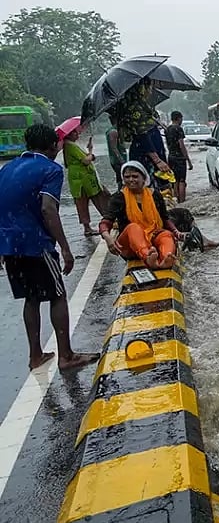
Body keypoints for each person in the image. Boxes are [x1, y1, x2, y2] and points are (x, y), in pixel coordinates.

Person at [0, 125, 99, 370]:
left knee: (31, 298)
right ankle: (66, 355)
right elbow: (47, 208)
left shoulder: (7, 168)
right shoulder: (50, 169)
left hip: (10, 244)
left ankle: (35, 355)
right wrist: (65, 247)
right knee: (57, 295)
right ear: (52, 146)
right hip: (36, 243)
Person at [99, 161, 181, 270]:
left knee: (166, 234)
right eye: (127, 177)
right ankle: (148, 257)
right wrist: (108, 237)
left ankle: (166, 258)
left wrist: (175, 232)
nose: (131, 180)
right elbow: (106, 222)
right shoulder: (119, 197)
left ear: (144, 178)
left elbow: (165, 218)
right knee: (133, 227)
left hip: (153, 240)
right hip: (130, 246)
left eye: (135, 176)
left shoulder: (155, 195)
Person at [113, 82, 171, 186]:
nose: (150, 90)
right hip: (146, 158)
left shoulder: (144, 107)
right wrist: (157, 161)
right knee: (150, 190)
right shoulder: (136, 109)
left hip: (153, 154)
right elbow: (142, 135)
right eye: (149, 87)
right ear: (141, 88)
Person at [59, 122, 110, 236]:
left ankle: (90, 226)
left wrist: (90, 149)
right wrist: (91, 154)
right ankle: (105, 220)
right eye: (76, 133)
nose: (78, 135)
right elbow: (86, 160)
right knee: (97, 197)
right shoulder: (70, 145)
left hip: (79, 179)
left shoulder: (70, 145)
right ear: (70, 134)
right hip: (83, 179)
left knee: (83, 202)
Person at [164, 111, 192, 202]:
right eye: (181, 118)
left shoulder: (167, 129)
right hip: (179, 158)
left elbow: (168, 145)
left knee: (174, 180)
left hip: (171, 157)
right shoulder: (178, 129)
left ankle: (175, 200)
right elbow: (181, 145)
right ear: (179, 118)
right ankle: (182, 201)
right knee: (182, 181)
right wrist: (188, 160)